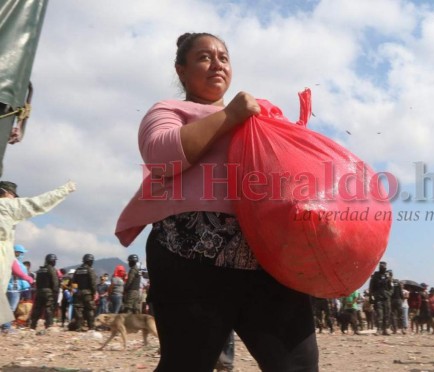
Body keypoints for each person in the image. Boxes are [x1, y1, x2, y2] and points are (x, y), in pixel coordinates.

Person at [115, 32, 318, 371]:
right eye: (204, 57)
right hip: (191, 265)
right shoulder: (170, 110)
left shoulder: (258, 121)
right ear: (181, 70)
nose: (217, 64)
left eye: (223, 57)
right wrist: (230, 116)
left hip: (265, 263)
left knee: (297, 364)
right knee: (186, 364)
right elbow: (161, 156)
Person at [0, 180, 76, 326]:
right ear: (6, 193)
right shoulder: (7, 205)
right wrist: (65, 190)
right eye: (13, 196)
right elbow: (39, 203)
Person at [30, 253, 60, 331]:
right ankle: (49, 325)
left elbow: (37, 282)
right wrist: (56, 292)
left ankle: (33, 325)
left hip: (39, 291)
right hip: (48, 292)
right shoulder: (51, 269)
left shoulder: (40, 270)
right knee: (49, 308)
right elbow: (55, 281)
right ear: (52, 261)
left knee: (37, 308)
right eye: (54, 260)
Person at [71, 254, 97, 331]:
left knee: (78, 310)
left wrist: (75, 292)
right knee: (89, 310)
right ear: (89, 261)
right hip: (87, 293)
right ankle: (91, 327)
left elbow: (73, 282)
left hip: (78, 292)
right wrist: (93, 292)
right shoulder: (90, 270)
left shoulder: (77, 270)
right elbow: (93, 283)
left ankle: (79, 327)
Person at [368, 261, 393, 335]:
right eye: (381, 266)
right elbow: (371, 287)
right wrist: (371, 297)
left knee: (387, 314)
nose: (383, 268)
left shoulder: (388, 277)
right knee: (379, 314)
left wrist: (389, 294)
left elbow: (391, 287)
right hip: (378, 297)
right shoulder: (375, 276)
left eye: (384, 267)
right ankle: (379, 329)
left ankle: (386, 329)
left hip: (386, 298)